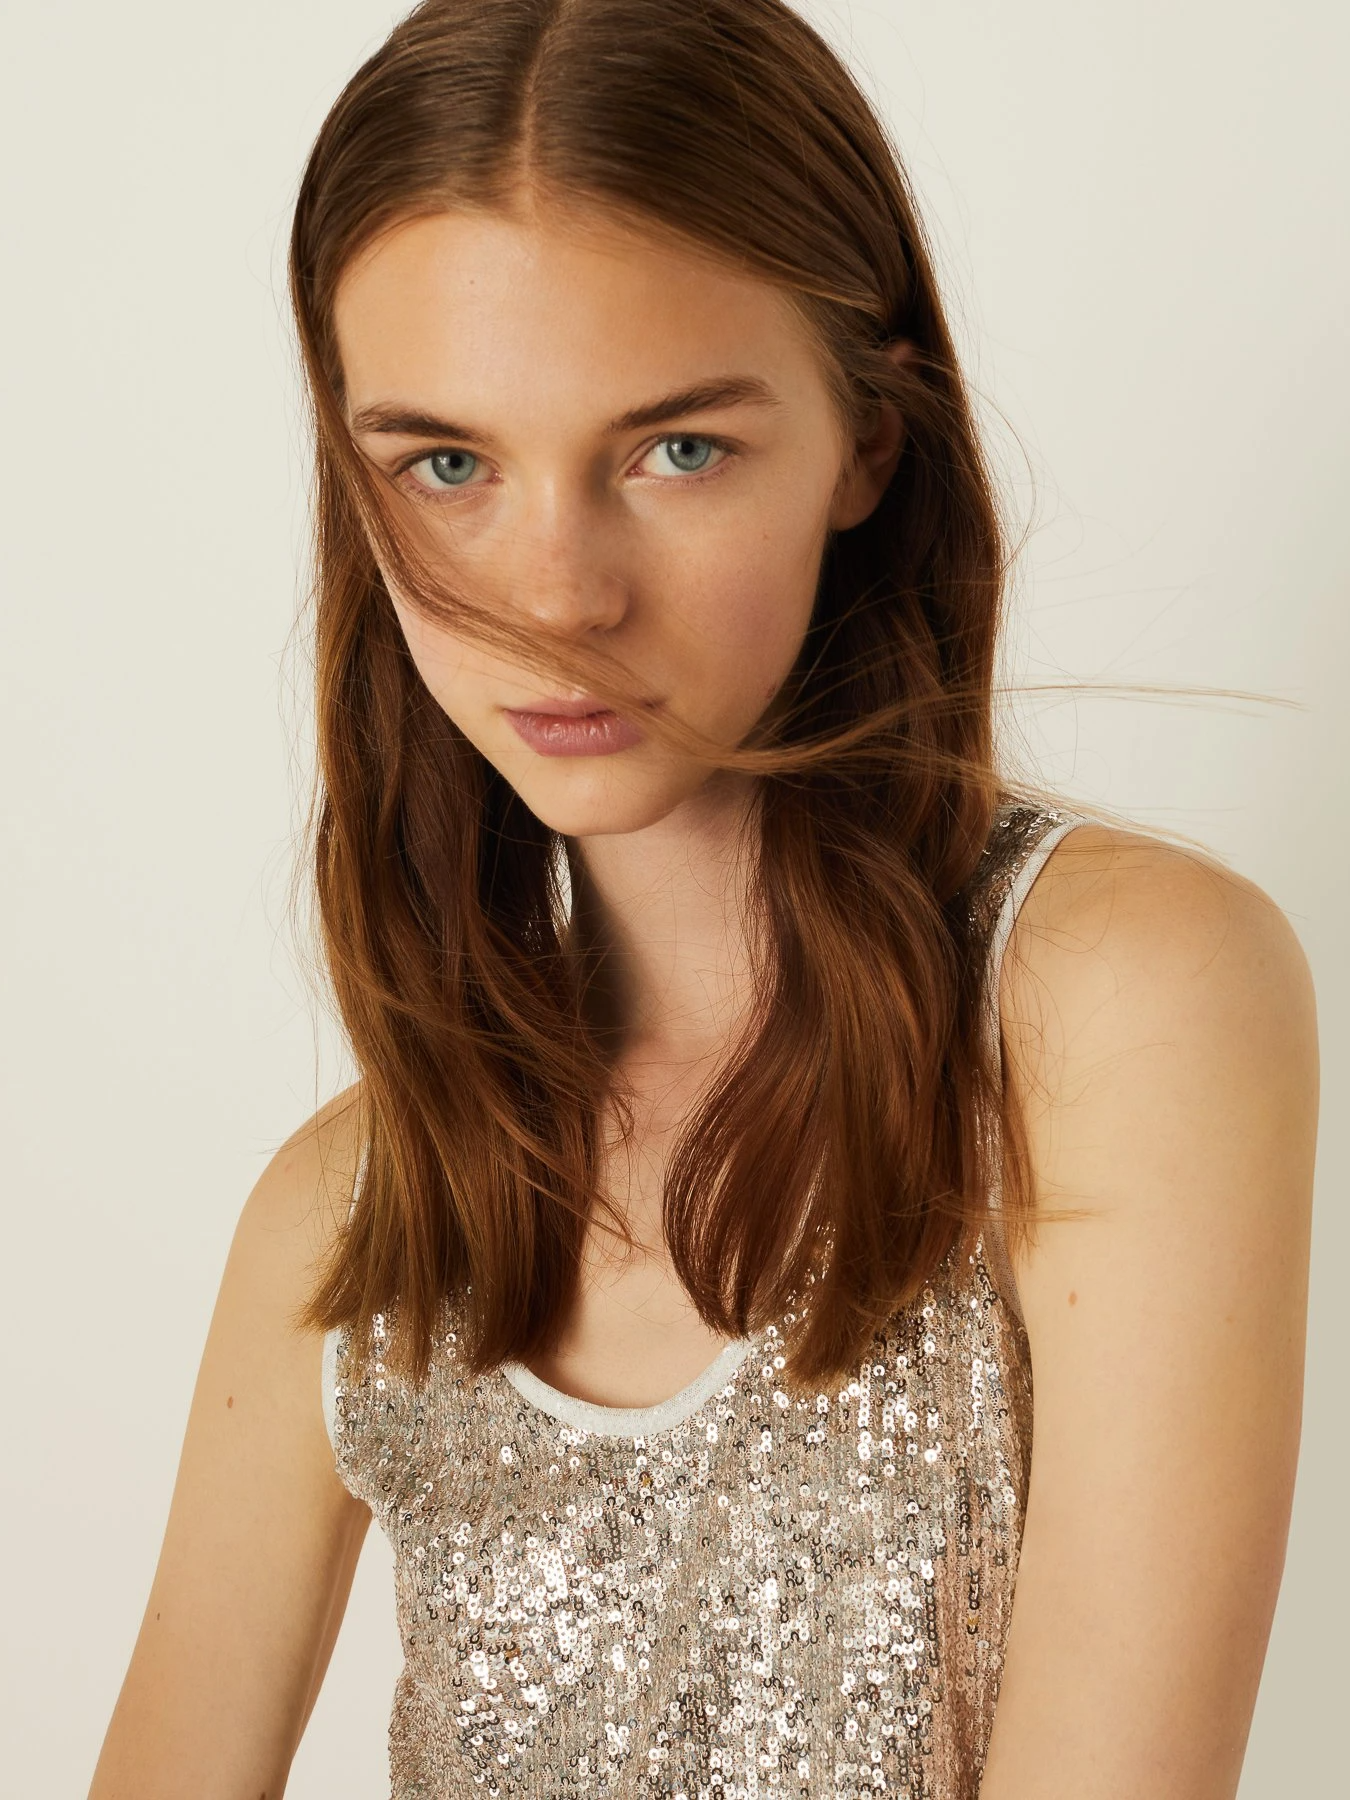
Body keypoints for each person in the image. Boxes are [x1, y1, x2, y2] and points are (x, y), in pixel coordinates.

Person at [88, 2, 1318, 1796]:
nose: (558, 595)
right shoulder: (353, 1214)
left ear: (867, 440)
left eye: (675, 449)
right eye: (447, 465)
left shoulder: (1112, 1001)